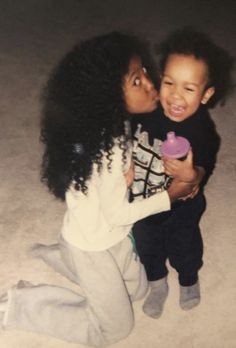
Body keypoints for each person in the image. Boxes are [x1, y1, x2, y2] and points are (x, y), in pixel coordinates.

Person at [0, 32, 194, 346]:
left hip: (112, 235)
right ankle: (19, 305)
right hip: (92, 244)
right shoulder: (103, 154)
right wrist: (168, 197)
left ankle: (60, 255)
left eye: (144, 70)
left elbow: (120, 161)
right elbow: (118, 212)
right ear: (108, 97)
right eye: (136, 81)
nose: (149, 82)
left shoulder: (113, 122)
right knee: (116, 328)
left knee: (139, 291)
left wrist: (128, 167)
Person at [131, 27, 234, 319]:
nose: (175, 96)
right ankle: (157, 282)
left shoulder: (202, 131)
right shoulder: (145, 111)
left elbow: (206, 164)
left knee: (185, 244)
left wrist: (193, 175)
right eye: (168, 83)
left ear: (205, 95)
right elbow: (126, 139)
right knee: (146, 243)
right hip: (144, 199)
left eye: (189, 89)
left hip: (182, 206)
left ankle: (189, 278)